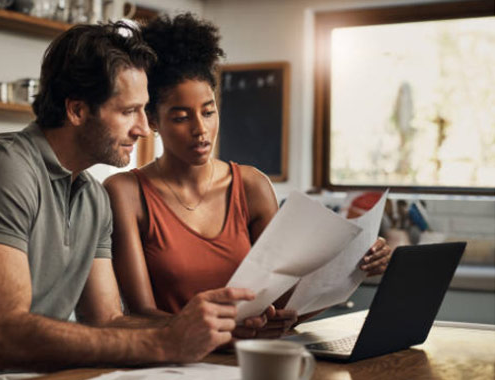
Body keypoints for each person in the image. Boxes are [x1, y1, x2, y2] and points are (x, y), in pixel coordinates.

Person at [0, 22, 258, 380]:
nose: (144, 129)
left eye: (143, 111)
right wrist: (165, 343)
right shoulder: (2, 171)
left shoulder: (93, 197)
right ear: (77, 110)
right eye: (128, 111)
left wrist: (210, 330)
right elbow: (4, 338)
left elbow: (108, 320)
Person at [104, 14, 392, 339]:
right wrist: (225, 331)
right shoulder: (125, 192)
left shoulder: (251, 186)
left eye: (209, 111)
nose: (201, 129)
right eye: (181, 117)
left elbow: (285, 302)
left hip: (249, 361)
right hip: (173, 365)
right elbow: (141, 313)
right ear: (152, 121)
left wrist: (355, 268)